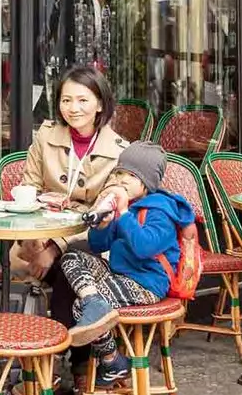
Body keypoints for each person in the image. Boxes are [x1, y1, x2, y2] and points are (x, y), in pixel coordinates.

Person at [15, 64, 131, 391]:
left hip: (94, 244)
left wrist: (55, 248)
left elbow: (106, 216)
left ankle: (52, 365)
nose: (73, 108)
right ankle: (81, 367)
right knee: (58, 269)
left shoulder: (120, 151)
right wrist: (40, 241)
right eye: (66, 100)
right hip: (40, 233)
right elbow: (30, 188)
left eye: (82, 100)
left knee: (68, 267)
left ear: (100, 104)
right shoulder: (45, 136)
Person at [60, 142, 194, 378]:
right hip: (120, 273)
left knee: (80, 308)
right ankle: (94, 300)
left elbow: (144, 247)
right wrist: (103, 224)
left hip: (147, 283)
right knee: (71, 255)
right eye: (119, 172)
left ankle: (113, 360)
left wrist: (122, 214)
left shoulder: (161, 211)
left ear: (148, 182)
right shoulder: (128, 207)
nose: (121, 180)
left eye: (131, 175)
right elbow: (98, 245)